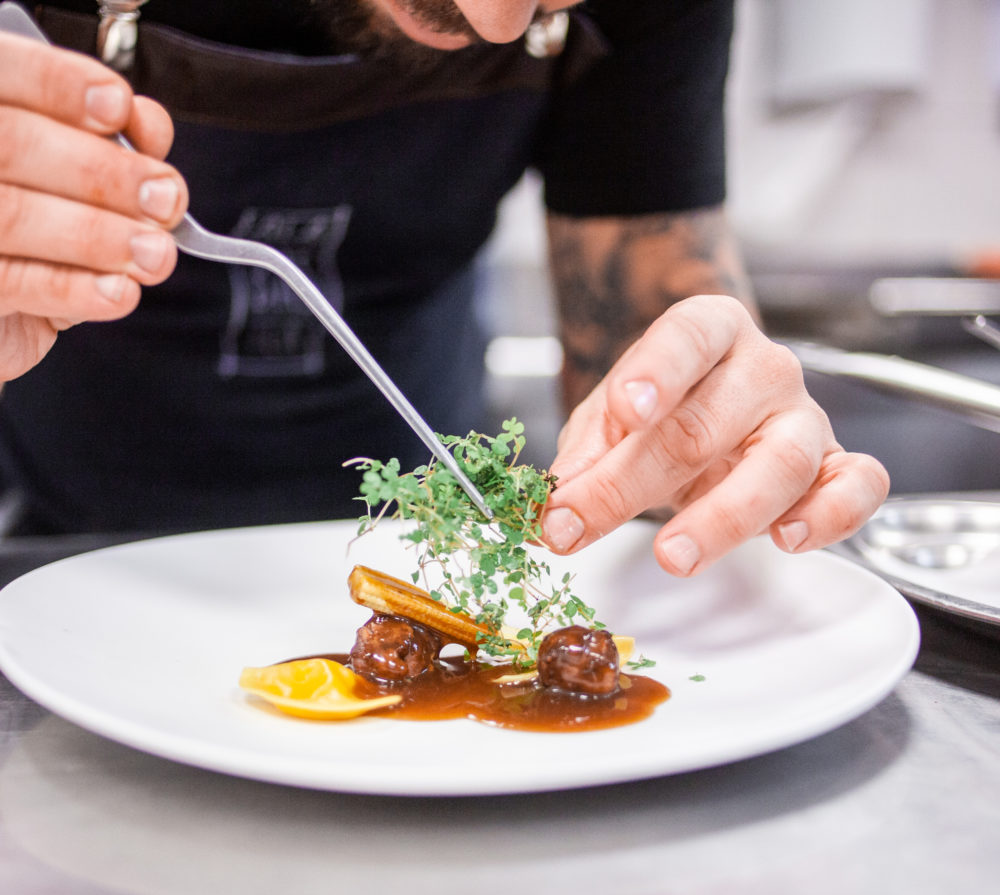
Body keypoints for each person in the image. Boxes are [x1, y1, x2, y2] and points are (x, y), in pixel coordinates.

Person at [0, 0, 888, 577]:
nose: (502, 19)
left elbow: (647, 354)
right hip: (43, 556)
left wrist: (714, 449)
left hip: (429, 564)